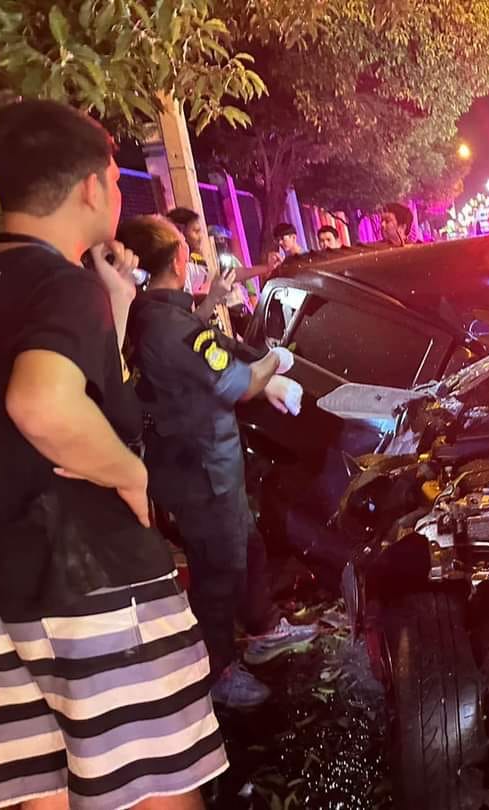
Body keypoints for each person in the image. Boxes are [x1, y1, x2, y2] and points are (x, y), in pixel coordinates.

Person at [0, 99, 225, 810]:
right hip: (93, 585)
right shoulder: (60, 284)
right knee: (158, 787)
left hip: (6, 588)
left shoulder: (34, 284)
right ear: (92, 187)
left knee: (46, 790)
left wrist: (115, 304)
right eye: (118, 181)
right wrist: (130, 472)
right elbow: (41, 402)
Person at [119, 214, 318, 709]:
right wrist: (275, 363)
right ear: (179, 259)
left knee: (246, 547)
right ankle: (216, 669)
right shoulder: (167, 326)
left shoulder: (151, 313)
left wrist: (210, 306)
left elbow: (201, 349)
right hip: (201, 472)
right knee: (218, 572)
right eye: (187, 246)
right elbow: (237, 383)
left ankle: (264, 628)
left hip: (202, 465)